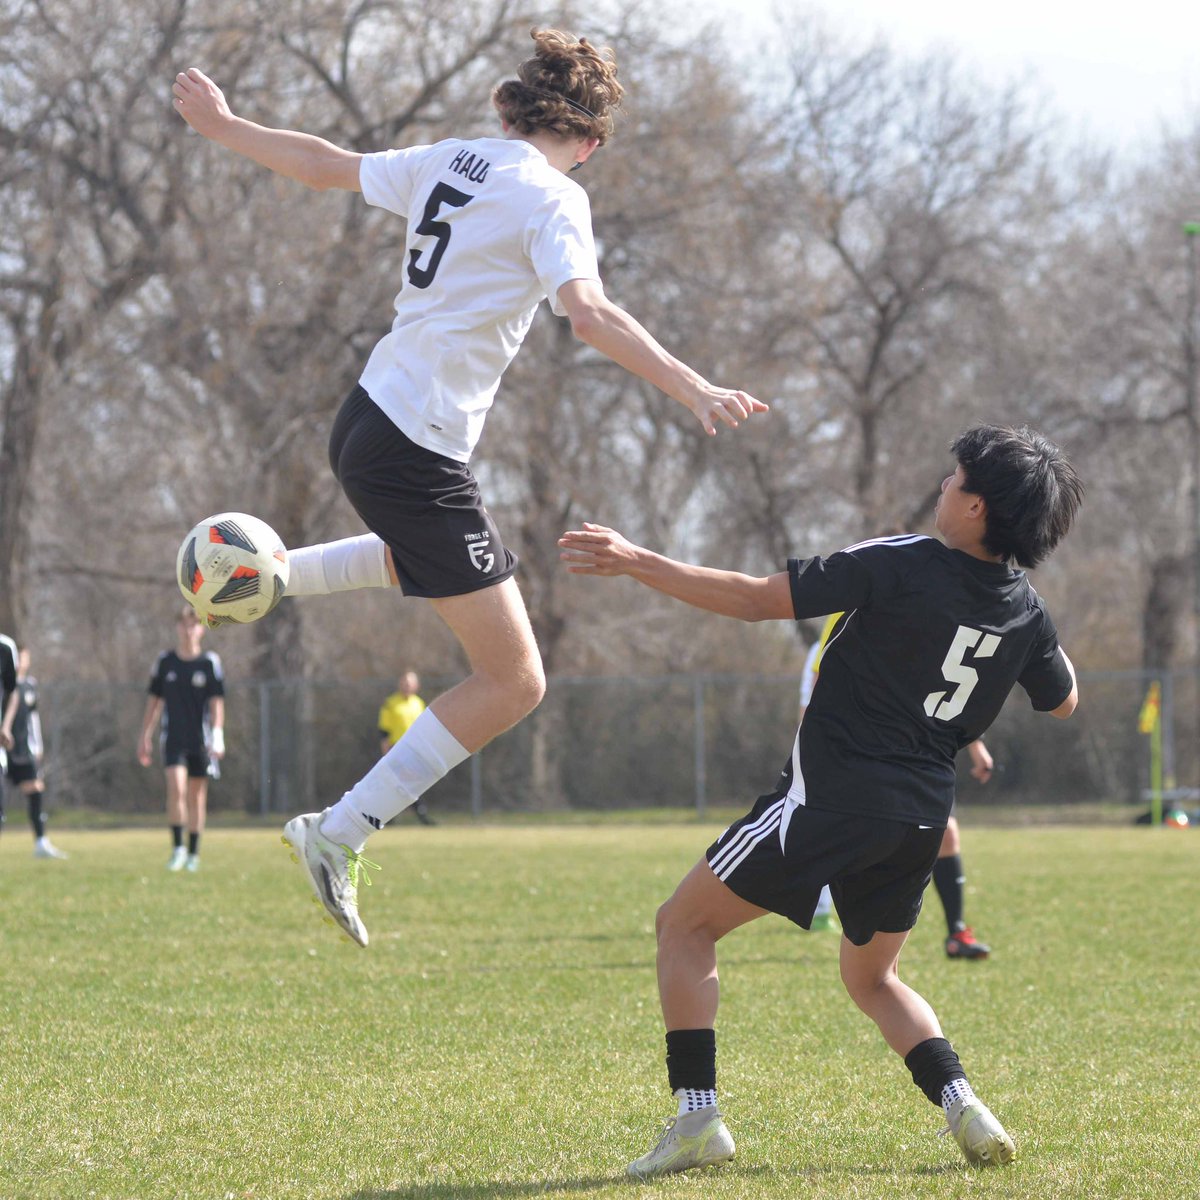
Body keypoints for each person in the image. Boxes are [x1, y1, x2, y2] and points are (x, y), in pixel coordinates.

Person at [171, 30, 766, 946]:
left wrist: (223, 126)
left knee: (427, 568)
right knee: (516, 677)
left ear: (505, 109)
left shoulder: (453, 159)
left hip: (366, 421)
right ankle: (338, 833)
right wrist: (694, 386)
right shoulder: (556, 197)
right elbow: (590, 314)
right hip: (415, 450)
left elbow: (327, 165)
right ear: (593, 142)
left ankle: (269, 574)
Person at [559, 423, 1082, 1177]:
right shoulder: (1026, 610)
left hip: (831, 798)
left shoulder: (904, 560)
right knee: (873, 979)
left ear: (976, 510)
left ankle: (697, 1120)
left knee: (683, 926)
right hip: (921, 819)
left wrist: (637, 560)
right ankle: (964, 1103)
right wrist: (1026, 616)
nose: (943, 485)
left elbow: (756, 601)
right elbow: (1063, 702)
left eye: (954, 477)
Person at [803, 610, 995, 958]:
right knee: (847, 839)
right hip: (862, 758)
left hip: (920, 757)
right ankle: (825, 912)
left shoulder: (930, 606)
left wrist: (976, 743)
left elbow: (946, 691)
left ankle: (955, 932)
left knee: (946, 834)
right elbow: (819, 684)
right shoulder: (849, 607)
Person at [137, 607, 226, 872]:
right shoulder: (165, 662)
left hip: (200, 741)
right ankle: (177, 848)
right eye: (184, 625)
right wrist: (145, 735)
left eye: (193, 625)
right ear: (178, 628)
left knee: (196, 796)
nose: (188, 630)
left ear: (201, 629)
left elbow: (217, 704)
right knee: (176, 788)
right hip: (173, 738)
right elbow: (153, 702)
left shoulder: (209, 663)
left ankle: (193, 853)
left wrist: (219, 736)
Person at [0, 647, 68, 859]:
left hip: (23, 748)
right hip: (4, 748)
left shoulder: (30, 685)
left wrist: (37, 745)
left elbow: (33, 718)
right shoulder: (5, 684)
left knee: (35, 789)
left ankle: (41, 841)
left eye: (24, 657)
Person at [377, 671, 436, 825]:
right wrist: (386, 751)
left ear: (416, 685)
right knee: (398, 784)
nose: (406, 686)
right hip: (396, 749)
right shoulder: (391, 703)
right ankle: (418, 815)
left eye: (409, 683)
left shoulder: (418, 703)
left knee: (410, 784)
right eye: (404, 683)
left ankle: (393, 817)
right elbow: (384, 730)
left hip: (415, 750)